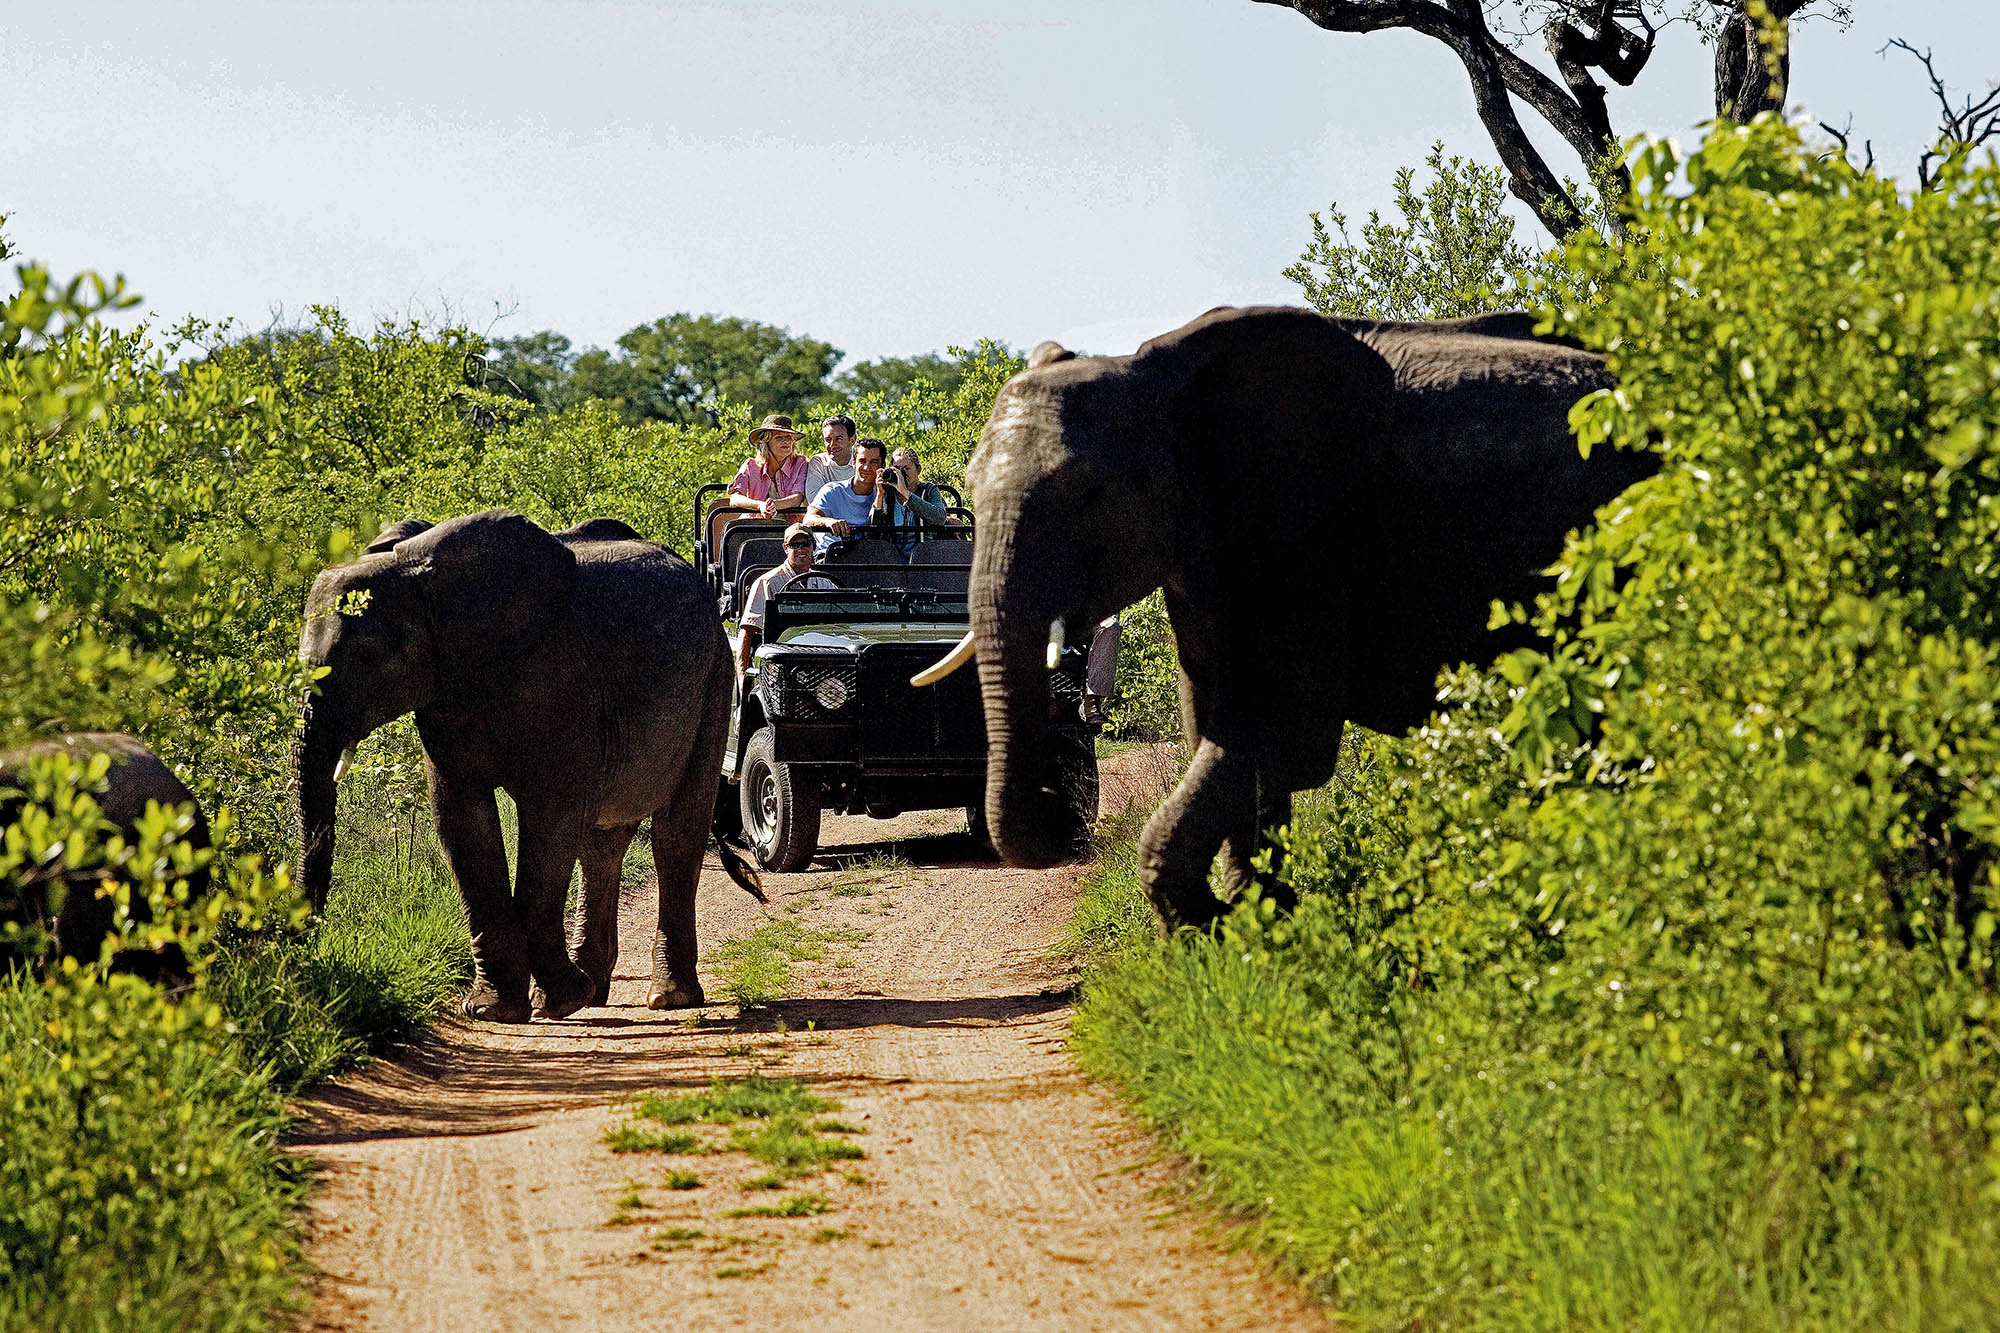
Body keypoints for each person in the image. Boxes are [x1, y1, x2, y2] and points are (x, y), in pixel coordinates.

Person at [736, 523, 832, 678]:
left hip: (821, 659)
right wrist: (742, 678)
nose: (801, 549)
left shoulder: (825, 583)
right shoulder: (767, 583)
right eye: (794, 545)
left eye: (806, 544)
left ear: (813, 547)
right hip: (780, 662)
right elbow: (747, 631)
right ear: (786, 548)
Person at [804, 437, 903, 551]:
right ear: (854, 462)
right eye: (862, 461)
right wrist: (828, 521)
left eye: (873, 462)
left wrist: (882, 494)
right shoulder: (832, 490)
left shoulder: (885, 494)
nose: (866, 467)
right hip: (832, 554)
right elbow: (808, 519)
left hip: (867, 556)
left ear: (882, 466)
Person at [724, 414, 810, 521]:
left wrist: (772, 506)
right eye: (778, 438)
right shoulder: (751, 466)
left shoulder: (801, 463)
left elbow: (797, 498)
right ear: (765, 443)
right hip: (753, 524)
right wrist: (760, 506)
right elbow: (735, 498)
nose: (786, 441)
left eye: (788, 437)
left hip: (790, 526)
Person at [884, 446, 953, 526]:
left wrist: (905, 493)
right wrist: (879, 495)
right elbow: (874, 528)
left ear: (918, 469)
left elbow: (940, 519)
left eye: (906, 469)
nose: (901, 473)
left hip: (922, 535)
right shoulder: (888, 493)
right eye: (897, 469)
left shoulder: (928, 490)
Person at [802, 414, 857, 505]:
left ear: (852, 440)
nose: (832, 445)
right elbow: (815, 500)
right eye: (828, 439)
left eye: (838, 439)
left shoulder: (864, 462)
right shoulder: (819, 462)